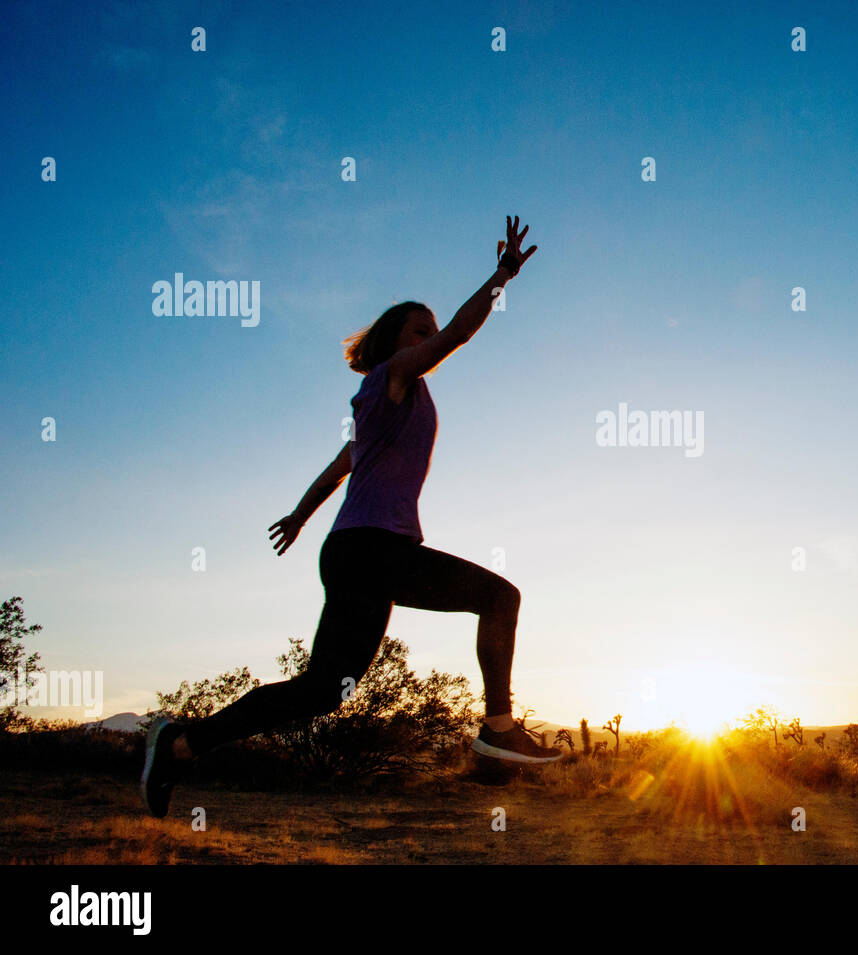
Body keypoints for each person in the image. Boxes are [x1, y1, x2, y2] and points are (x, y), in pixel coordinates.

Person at [141, 215, 560, 819]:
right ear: (397, 340)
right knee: (499, 597)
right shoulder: (388, 378)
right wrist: (500, 278)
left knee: (320, 690)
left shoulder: (392, 402)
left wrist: (300, 515)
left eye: (431, 330)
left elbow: (339, 466)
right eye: (420, 329)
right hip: (373, 549)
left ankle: (179, 745)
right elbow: (460, 336)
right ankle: (497, 728)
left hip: (355, 554)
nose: (431, 336)